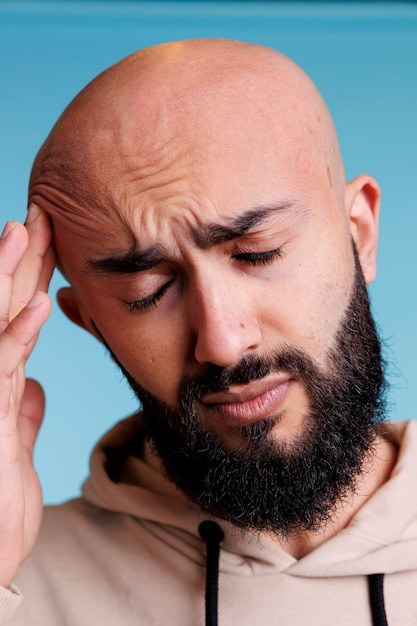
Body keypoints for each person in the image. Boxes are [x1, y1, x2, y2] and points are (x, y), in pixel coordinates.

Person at [0, 38, 416, 625]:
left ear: (360, 235)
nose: (221, 341)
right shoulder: (19, 577)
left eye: (257, 253)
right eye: (149, 293)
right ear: (91, 324)